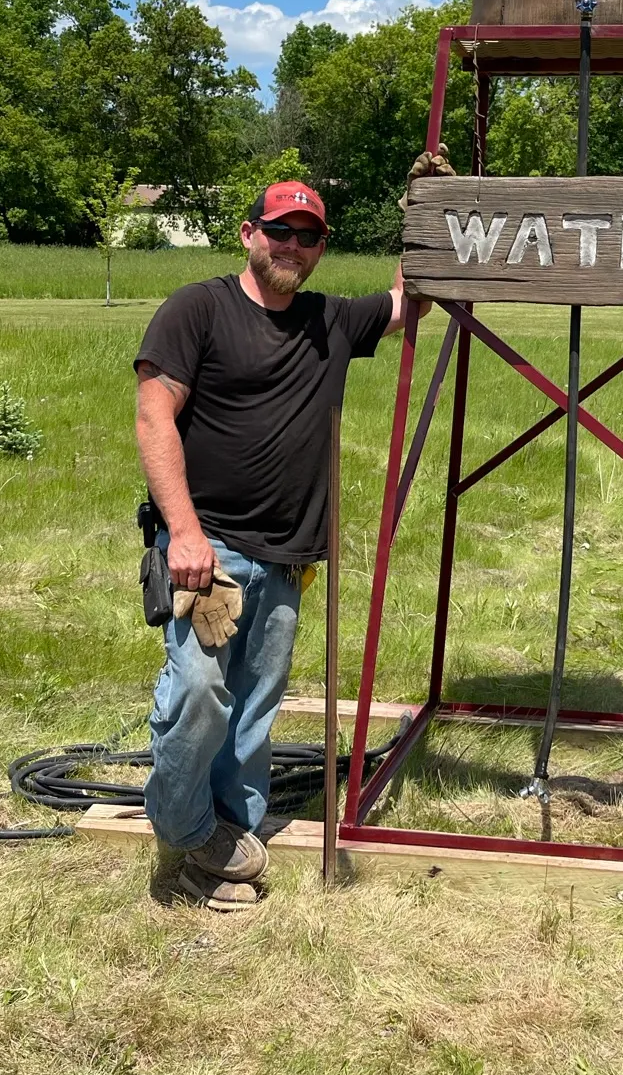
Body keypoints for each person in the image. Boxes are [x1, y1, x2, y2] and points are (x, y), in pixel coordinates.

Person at [133, 180, 414, 909]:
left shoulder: (330, 321)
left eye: (309, 236)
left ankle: (229, 839)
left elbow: (407, 304)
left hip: (289, 559)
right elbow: (154, 416)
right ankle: (186, 830)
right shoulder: (198, 309)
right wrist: (184, 534)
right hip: (210, 552)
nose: (293, 246)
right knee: (198, 692)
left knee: (253, 712)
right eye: (280, 231)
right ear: (248, 233)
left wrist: (426, 212)